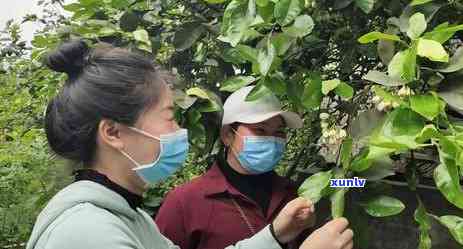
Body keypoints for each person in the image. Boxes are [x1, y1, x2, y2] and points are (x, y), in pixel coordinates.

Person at [26, 40, 354, 249]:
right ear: (113, 132)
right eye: (169, 116)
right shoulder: (90, 232)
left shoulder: (132, 217)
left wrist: (273, 236)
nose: (179, 129)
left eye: (278, 132)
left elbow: (345, 181)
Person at [155, 86, 314, 249]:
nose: (272, 140)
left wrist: (340, 182)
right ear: (227, 135)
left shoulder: (294, 194)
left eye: (279, 132)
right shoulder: (185, 202)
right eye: (260, 130)